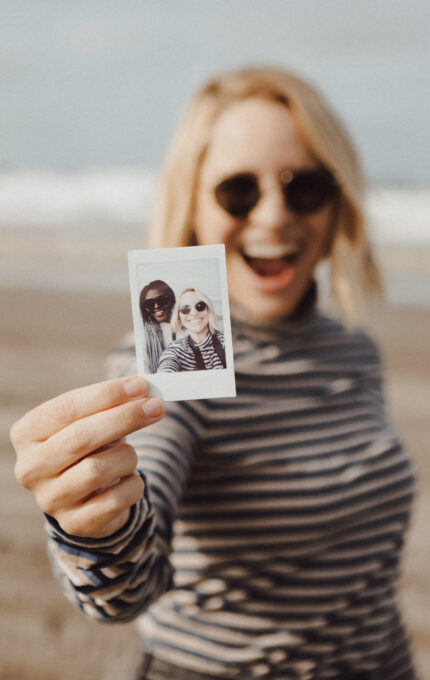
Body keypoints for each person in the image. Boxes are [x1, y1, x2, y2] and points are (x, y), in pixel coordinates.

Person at [11, 67, 416, 680]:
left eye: (303, 187)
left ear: (338, 202)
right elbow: (126, 588)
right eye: (238, 192)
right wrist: (93, 526)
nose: (275, 216)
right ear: (192, 206)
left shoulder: (354, 348)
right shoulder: (172, 372)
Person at [157, 288, 226, 372]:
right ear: (179, 316)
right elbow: (165, 372)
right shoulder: (175, 350)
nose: (194, 313)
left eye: (200, 306)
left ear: (208, 310)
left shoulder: (226, 340)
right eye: (185, 309)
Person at [139, 279, 176, 373]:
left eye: (161, 300)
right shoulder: (144, 336)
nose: (156, 306)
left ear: (171, 300)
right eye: (149, 304)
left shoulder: (188, 329)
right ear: (145, 308)